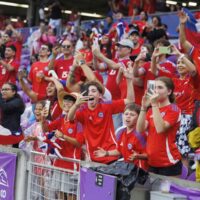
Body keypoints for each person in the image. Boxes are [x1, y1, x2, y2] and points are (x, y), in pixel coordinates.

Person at [68, 64, 134, 164]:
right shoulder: (82, 110)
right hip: (94, 158)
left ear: (99, 95)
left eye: (93, 91)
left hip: (110, 156)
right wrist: (76, 105)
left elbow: (130, 100)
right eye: (88, 92)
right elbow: (70, 118)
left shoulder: (107, 106)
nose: (90, 94)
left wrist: (129, 80)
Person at [41, 78, 82, 200]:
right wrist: (43, 119)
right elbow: (46, 129)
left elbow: (79, 143)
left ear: (77, 105)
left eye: (71, 101)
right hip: (59, 162)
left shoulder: (79, 121)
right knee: (59, 194)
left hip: (71, 163)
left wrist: (63, 136)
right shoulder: (61, 118)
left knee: (70, 196)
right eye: (66, 100)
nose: (66, 103)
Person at [136, 76, 182, 176]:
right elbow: (140, 129)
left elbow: (160, 129)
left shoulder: (173, 109)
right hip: (152, 162)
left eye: (160, 88)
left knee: (165, 192)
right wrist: (143, 108)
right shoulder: (151, 110)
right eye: (155, 87)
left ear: (169, 91)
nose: (156, 90)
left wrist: (154, 104)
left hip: (169, 163)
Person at [94, 103, 148, 170]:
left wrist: (138, 156)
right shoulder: (120, 131)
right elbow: (119, 150)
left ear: (139, 118)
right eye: (126, 114)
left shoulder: (140, 135)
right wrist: (107, 153)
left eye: (132, 115)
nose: (128, 116)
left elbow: (148, 155)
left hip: (139, 170)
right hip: (128, 169)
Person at [0, 82, 25, 147]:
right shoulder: (4, 102)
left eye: (6, 89)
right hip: (4, 134)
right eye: (2, 89)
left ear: (13, 92)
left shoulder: (17, 101)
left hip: (13, 135)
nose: (3, 91)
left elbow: (5, 108)